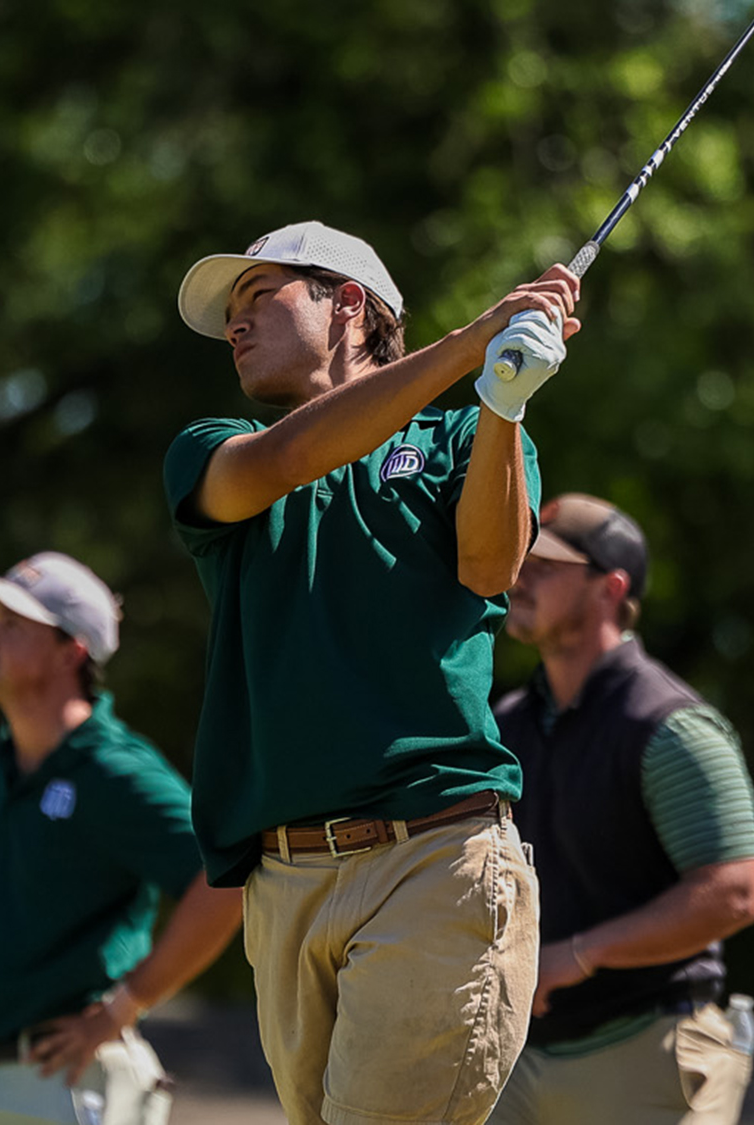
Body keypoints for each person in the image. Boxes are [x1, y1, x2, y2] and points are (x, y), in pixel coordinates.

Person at [162, 219, 578, 1125]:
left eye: (258, 298)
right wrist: (472, 342)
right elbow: (284, 460)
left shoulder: (464, 433)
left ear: (348, 304)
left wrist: (501, 403)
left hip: (435, 853)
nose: (235, 325)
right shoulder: (215, 446)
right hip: (284, 886)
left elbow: (488, 567)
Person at [486, 494, 754, 1125]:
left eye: (545, 564)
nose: (517, 575)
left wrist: (580, 952)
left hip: (648, 1047)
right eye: (518, 559)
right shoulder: (505, 725)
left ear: (610, 588)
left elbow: (736, 892)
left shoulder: (671, 728)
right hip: (516, 1058)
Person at [0, 552, 244, 1125]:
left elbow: (224, 879)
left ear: (71, 650)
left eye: (11, 624)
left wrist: (123, 1006)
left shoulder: (116, 770)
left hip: (74, 1085)